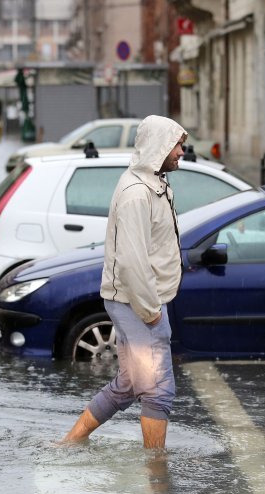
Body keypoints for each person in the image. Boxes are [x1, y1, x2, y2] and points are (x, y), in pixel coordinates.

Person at [61, 115, 187, 449]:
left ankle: (71, 442)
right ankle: (156, 473)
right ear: (160, 146)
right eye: (177, 144)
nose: (181, 151)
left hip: (142, 300)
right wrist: (152, 312)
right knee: (159, 388)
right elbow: (132, 262)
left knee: (130, 384)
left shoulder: (152, 184)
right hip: (139, 303)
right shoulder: (136, 194)